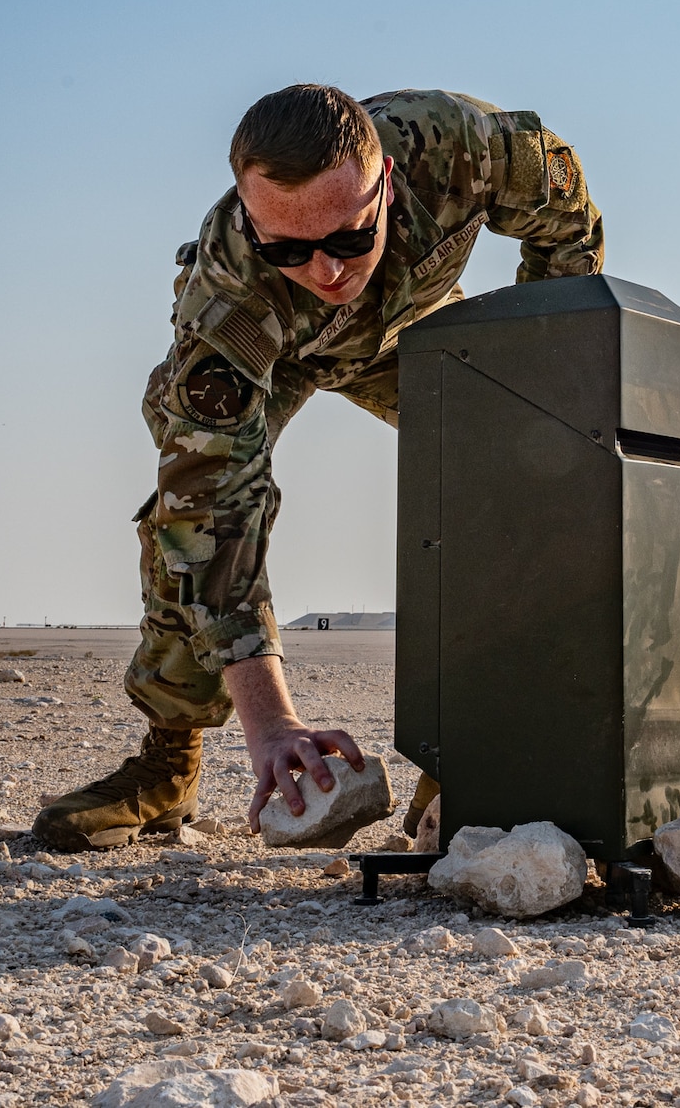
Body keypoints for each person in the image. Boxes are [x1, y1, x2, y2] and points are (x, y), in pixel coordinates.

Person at [33, 85, 604, 850]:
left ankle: (474, 749)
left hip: (413, 326)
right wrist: (272, 727)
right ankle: (167, 768)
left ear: (388, 187)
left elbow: (568, 235)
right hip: (288, 354)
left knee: (528, 465)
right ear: (248, 214)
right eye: (288, 249)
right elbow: (212, 515)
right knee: (182, 516)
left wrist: (535, 380)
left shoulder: (466, 151)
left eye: (346, 238)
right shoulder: (229, 300)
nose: (325, 270)